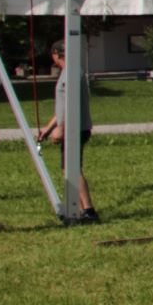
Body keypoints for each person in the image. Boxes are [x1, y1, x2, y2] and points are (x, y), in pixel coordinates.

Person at [36, 40, 99, 223]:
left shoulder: (71, 73)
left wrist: (61, 128)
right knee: (69, 167)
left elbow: (70, 105)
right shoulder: (68, 72)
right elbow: (63, 107)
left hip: (75, 129)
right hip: (72, 127)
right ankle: (80, 208)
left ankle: (88, 210)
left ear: (57, 54)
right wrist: (48, 128)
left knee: (72, 168)